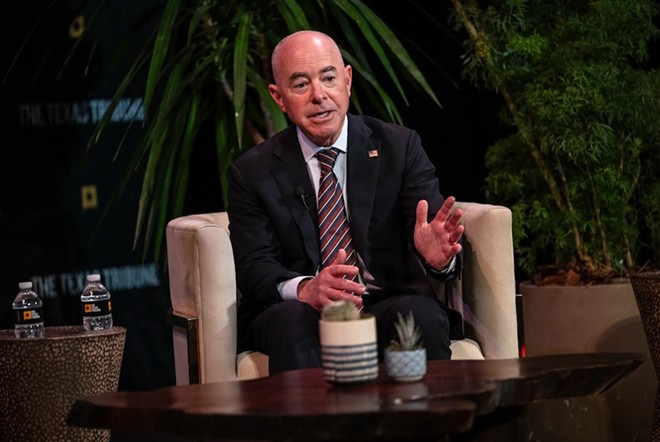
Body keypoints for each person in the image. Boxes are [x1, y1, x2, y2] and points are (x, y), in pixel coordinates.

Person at [227, 30, 464, 374]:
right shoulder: (252, 172)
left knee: (421, 316)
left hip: (387, 299)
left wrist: (437, 260)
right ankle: (317, 430)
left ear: (347, 80)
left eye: (328, 78)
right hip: (303, 310)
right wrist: (307, 288)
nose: (319, 96)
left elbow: (433, 235)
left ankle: (426, 427)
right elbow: (254, 267)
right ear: (279, 97)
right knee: (289, 321)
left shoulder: (399, 147)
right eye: (300, 85)